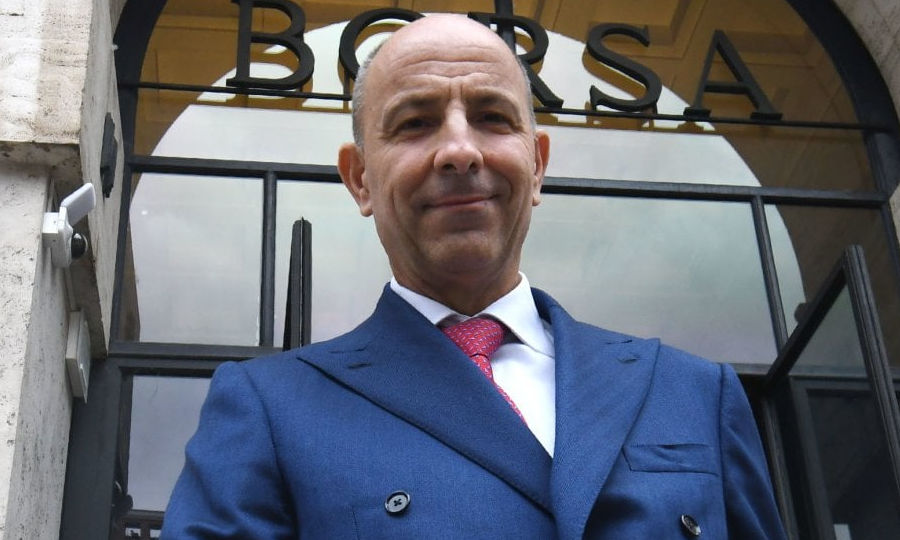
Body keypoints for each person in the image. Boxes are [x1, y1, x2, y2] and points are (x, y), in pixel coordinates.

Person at [162, 14, 787, 539]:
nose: (460, 150)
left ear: (537, 165)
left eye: (492, 117)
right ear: (359, 179)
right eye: (415, 122)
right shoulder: (269, 409)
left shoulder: (695, 393)